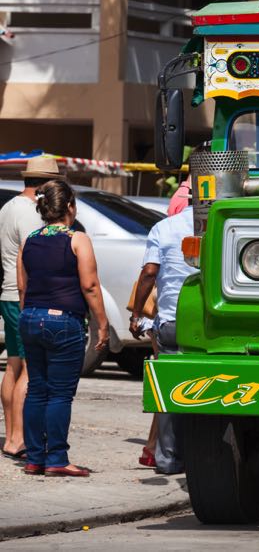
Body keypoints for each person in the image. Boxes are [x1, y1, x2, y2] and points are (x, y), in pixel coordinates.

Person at [16, 180, 109, 476]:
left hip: (30, 317)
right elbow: (90, 285)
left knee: (36, 391)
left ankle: (34, 457)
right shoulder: (77, 239)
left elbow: (22, 288)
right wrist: (102, 324)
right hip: (63, 322)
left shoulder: (29, 240)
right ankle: (56, 459)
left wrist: (29, 318)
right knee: (59, 395)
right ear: (70, 206)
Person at [0, 158, 62, 460]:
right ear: (44, 185)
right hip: (23, 296)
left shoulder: (9, 207)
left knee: (13, 365)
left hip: (9, 295)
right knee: (28, 369)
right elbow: (29, 258)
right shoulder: (28, 213)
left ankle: (12, 436)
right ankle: (19, 437)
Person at [129, 204, 196, 474]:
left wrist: (136, 314)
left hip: (171, 322)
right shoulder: (228, 220)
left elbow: (149, 272)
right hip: (211, 327)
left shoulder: (165, 227)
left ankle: (167, 460)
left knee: (170, 392)